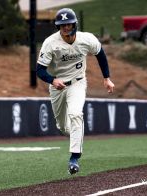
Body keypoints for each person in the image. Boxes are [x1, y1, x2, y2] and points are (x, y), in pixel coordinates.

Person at [36, 8, 115, 174]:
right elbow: (40, 70)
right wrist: (52, 80)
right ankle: (72, 136)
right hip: (57, 85)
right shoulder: (50, 43)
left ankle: (74, 158)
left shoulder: (87, 39)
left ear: (74, 24)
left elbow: (100, 54)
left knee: (76, 114)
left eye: (68, 23)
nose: (65, 27)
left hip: (78, 83)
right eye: (62, 25)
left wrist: (106, 78)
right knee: (63, 127)